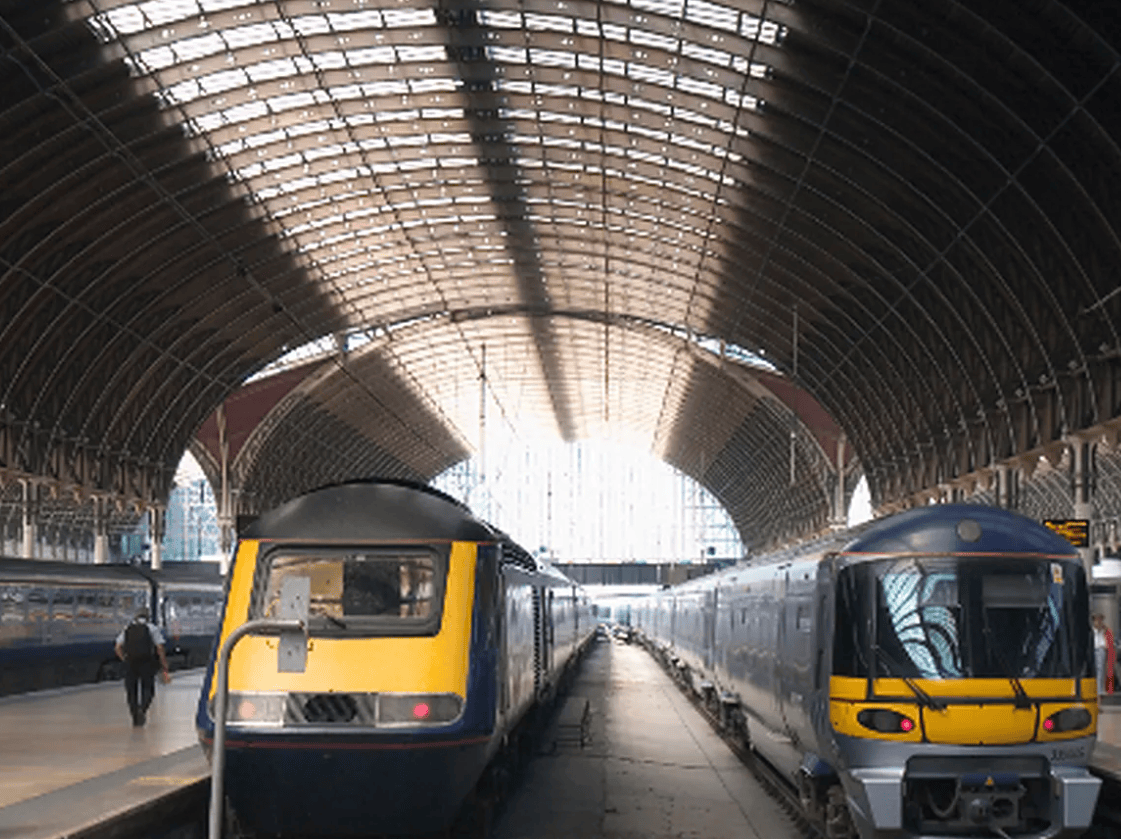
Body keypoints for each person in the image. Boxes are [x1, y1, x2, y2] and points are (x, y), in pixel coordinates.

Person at [114, 607, 171, 726]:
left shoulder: (127, 628)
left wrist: (124, 658)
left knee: (131, 691)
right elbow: (160, 647)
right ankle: (142, 709)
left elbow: (118, 647)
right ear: (147, 617)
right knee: (148, 689)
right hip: (147, 663)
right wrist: (164, 664)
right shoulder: (152, 628)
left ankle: (135, 716)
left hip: (130, 663)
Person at [1093, 613, 1115, 696]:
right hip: (1095, 649)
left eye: (1100, 619)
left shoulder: (1103, 629)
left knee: (1101, 670)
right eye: (1097, 619)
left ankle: (1100, 690)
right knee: (1097, 670)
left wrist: (1103, 626)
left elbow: (1108, 629)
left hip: (1101, 649)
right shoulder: (1093, 630)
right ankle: (1097, 690)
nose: (1099, 621)